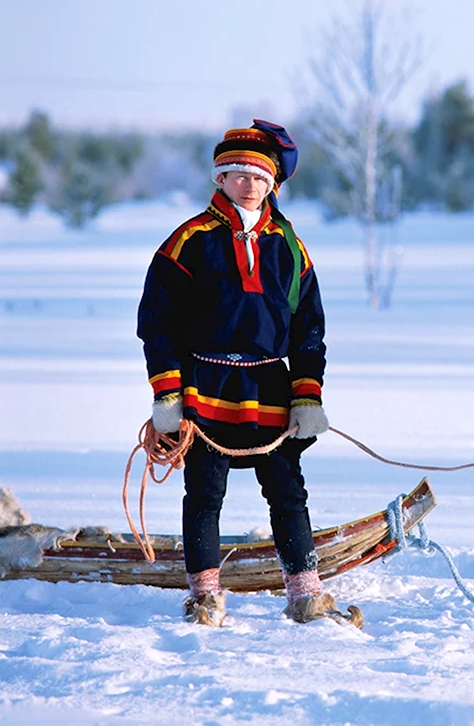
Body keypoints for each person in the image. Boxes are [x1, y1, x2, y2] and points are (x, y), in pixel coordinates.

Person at [137, 121, 359, 627]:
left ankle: (305, 594)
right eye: (236, 174)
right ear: (219, 179)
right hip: (204, 386)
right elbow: (156, 323)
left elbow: (309, 328)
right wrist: (167, 394)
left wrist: (308, 395)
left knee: (287, 491)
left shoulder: (289, 245)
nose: (248, 185)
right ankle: (205, 597)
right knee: (204, 492)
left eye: (258, 177)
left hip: (270, 387)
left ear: (272, 184)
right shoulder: (188, 240)